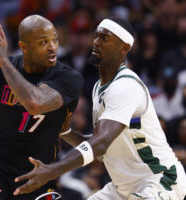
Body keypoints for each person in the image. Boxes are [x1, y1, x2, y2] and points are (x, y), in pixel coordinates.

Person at [13, 18, 186, 200]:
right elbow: (100, 144)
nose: (96, 42)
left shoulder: (125, 86)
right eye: (96, 36)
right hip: (123, 187)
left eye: (104, 38)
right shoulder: (98, 88)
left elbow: (101, 143)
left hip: (159, 179)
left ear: (124, 48)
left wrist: (53, 170)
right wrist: (63, 131)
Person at [0, 15, 83, 200]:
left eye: (55, 39)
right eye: (43, 42)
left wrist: (3, 61)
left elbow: (35, 104)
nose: (53, 47)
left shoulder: (68, 78)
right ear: (24, 47)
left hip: (38, 173)